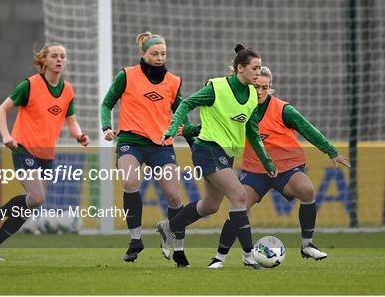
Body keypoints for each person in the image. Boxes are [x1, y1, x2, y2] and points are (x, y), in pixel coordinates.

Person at [207, 66, 351, 268]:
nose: (259, 91)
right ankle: (219, 257)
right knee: (239, 206)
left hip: (286, 168)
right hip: (255, 170)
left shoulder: (284, 110)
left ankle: (307, 245)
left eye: (264, 87)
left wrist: (331, 151)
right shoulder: (239, 108)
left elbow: (308, 129)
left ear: (270, 88)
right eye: (256, 86)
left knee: (307, 190)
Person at [155, 43, 278, 268]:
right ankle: (249, 255)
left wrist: (266, 160)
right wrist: (173, 129)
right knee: (240, 196)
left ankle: (168, 227)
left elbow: (252, 130)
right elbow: (186, 104)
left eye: (260, 69)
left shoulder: (252, 94)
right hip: (207, 149)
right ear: (240, 68)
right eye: (255, 68)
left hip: (225, 154)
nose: (258, 74)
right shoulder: (217, 87)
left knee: (210, 206)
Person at [0, 43, 89, 261]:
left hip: (46, 154)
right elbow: (1, 110)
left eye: (63, 56)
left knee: (30, 204)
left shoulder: (67, 90)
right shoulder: (29, 85)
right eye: (55, 56)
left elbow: (72, 122)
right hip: (23, 148)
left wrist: (79, 135)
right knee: (38, 197)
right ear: (44, 61)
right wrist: (6, 136)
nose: (60, 60)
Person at [101, 31, 196, 266]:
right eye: (154, 53)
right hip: (131, 142)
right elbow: (107, 103)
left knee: (174, 196)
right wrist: (106, 126)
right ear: (143, 54)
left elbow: (181, 111)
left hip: (161, 145)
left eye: (163, 53)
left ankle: (179, 249)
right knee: (130, 181)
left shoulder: (173, 81)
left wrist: (193, 137)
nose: (159, 57)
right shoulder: (127, 75)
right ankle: (135, 240)